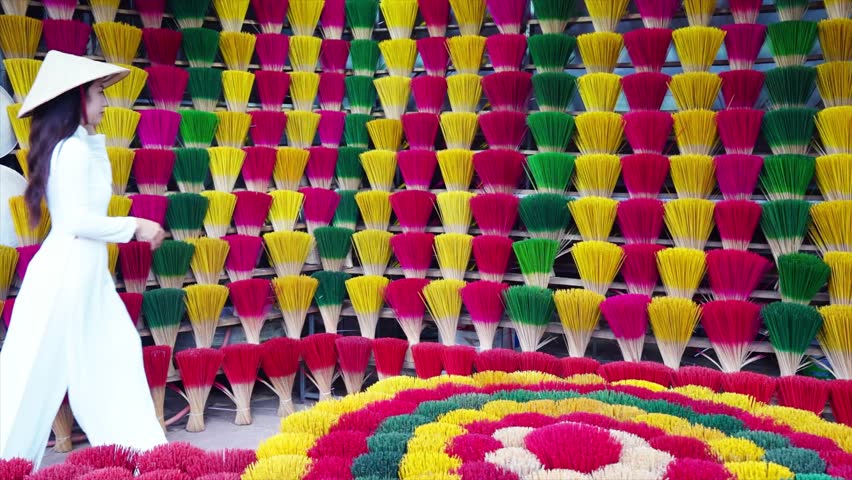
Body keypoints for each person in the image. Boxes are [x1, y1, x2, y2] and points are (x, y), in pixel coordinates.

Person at [0, 51, 168, 467]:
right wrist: (136, 227)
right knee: (28, 383)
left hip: (83, 278)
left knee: (114, 360)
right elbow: (75, 220)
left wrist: (94, 139)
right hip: (65, 280)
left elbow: (88, 200)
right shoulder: (70, 151)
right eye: (97, 93)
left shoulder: (76, 146)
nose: (106, 103)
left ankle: (146, 460)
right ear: (77, 98)